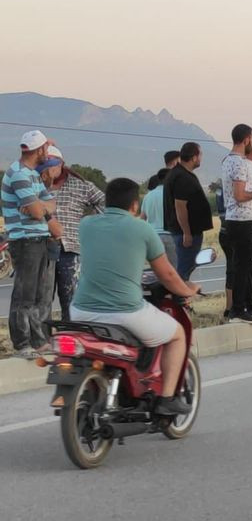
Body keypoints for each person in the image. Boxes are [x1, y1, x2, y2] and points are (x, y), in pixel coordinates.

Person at [74, 178, 199, 413]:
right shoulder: (142, 229)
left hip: (80, 310)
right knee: (177, 335)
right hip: (124, 312)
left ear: (106, 201)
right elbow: (168, 276)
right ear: (134, 206)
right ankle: (167, 399)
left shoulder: (86, 224)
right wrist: (188, 289)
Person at [3, 131, 61, 358]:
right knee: (24, 294)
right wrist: (40, 207)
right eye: (45, 148)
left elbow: (50, 203)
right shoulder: (18, 175)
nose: (47, 152)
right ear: (38, 150)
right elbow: (38, 211)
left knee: (37, 294)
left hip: (38, 239)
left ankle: (38, 341)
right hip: (25, 240)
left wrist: (40, 207)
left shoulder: (31, 175)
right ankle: (22, 343)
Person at [48, 147, 105, 319]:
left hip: (70, 249)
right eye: (45, 164)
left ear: (61, 164)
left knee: (71, 299)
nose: (49, 168)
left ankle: (71, 337)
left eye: (53, 163)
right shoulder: (36, 184)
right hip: (43, 250)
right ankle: (42, 339)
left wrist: (89, 224)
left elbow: (104, 203)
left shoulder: (80, 185)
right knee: (42, 299)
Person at [220, 124, 252, 323]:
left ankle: (248, 303)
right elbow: (239, 194)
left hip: (233, 220)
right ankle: (239, 308)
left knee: (243, 265)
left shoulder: (227, 160)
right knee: (244, 266)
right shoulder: (239, 163)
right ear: (246, 140)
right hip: (243, 219)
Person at [162, 142, 213, 280]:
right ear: (194, 157)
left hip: (184, 231)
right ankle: (179, 297)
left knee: (186, 268)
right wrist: (187, 233)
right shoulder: (182, 177)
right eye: (200, 154)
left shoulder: (181, 174)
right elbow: (180, 206)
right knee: (184, 270)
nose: (201, 158)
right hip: (186, 233)